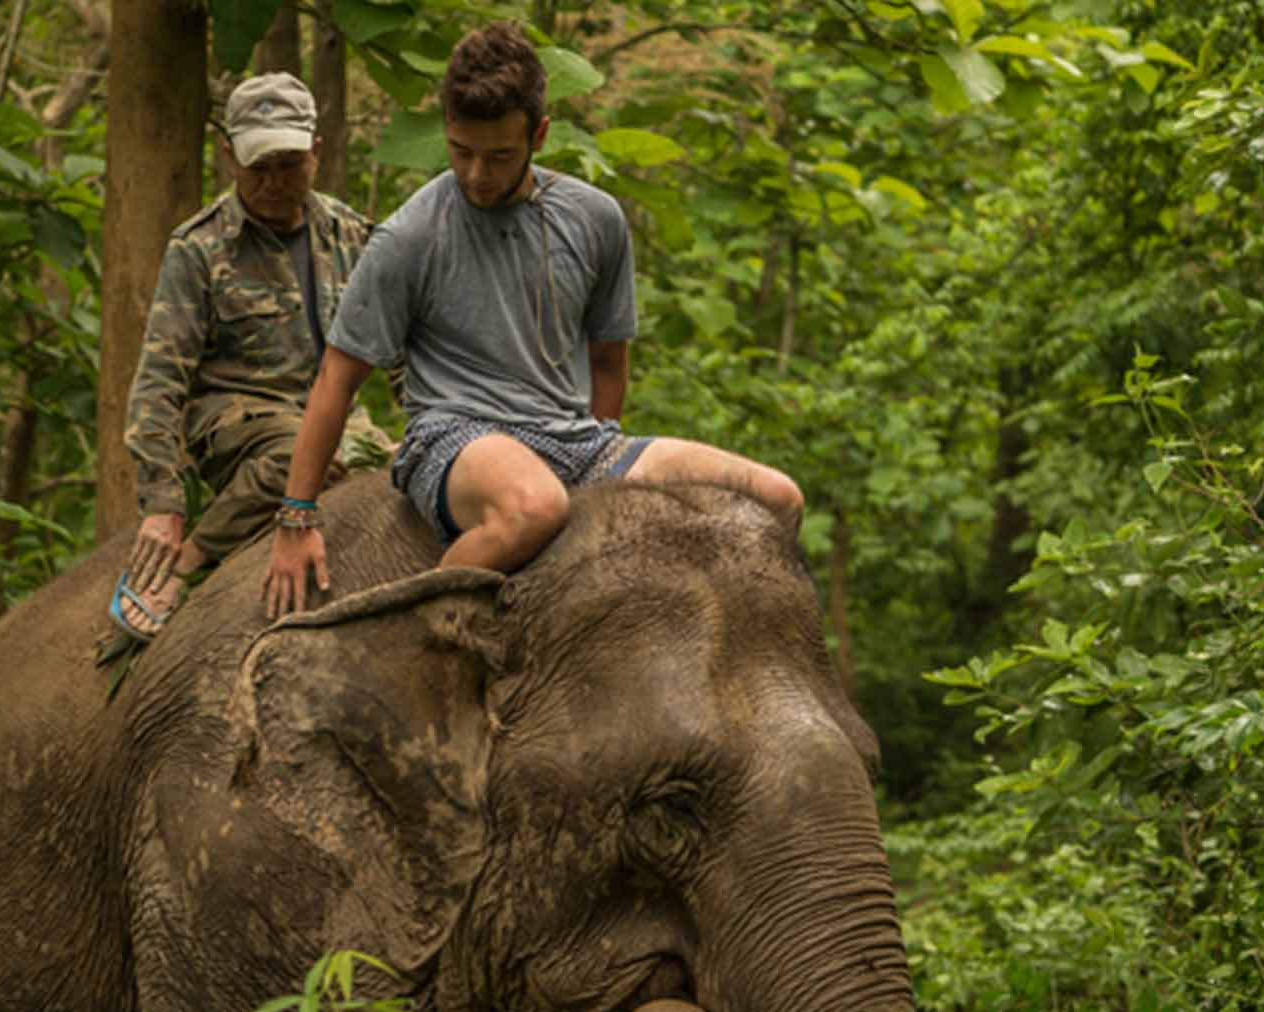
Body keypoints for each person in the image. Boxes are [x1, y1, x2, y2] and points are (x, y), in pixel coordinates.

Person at [261, 21, 803, 620]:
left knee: (776, 497)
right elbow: (337, 378)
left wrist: (603, 489)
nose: (475, 175)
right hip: (455, 435)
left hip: (577, 439)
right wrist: (296, 515)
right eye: (460, 151)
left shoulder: (595, 219)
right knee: (535, 507)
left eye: (498, 156)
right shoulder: (411, 235)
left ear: (539, 135)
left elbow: (607, 360)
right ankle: (413, 637)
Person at [110, 71, 384, 641]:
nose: (275, 182)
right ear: (230, 156)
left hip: (339, 421)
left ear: (316, 151)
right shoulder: (200, 248)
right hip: (238, 423)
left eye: (289, 164)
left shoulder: (352, 235)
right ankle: (191, 563)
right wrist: (162, 502)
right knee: (304, 451)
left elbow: (406, 348)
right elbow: (158, 380)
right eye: (258, 167)